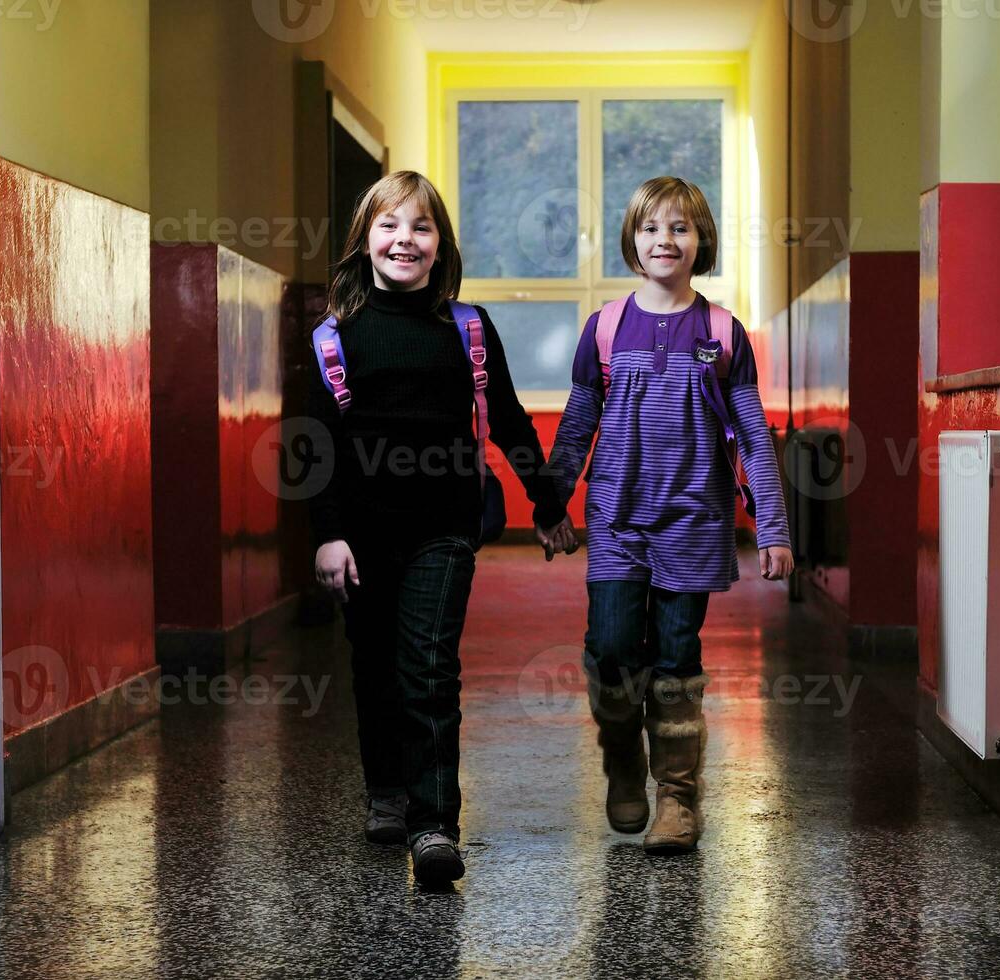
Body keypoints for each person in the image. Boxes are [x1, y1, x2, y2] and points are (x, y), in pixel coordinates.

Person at [307, 170, 577, 885]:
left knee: (428, 669)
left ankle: (433, 826)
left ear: (440, 245)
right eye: (390, 226)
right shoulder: (335, 337)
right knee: (374, 667)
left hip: (445, 528)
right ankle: (387, 792)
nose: (405, 239)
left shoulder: (467, 329)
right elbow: (316, 447)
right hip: (362, 535)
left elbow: (513, 421)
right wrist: (328, 534)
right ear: (365, 240)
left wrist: (546, 505)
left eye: (421, 227)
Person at [548, 176, 794, 854]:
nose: (666, 240)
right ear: (632, 239)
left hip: (694, 524)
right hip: (618, 522)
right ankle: (623, 754)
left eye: (681, 228)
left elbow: (752, 434)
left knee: (677, 658)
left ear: (701, 242)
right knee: (614, 650)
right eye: (653, 227)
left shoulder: (720, 332)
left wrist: (772, 528)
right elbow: (576, 425)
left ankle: (677, 798)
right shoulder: (604, 329)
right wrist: (551, 504)